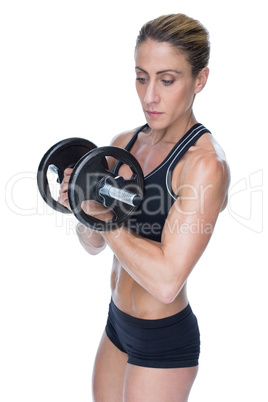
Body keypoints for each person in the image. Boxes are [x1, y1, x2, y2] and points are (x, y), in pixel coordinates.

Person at [59, 13, 230, 402]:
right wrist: (81, 205)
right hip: (117, 325)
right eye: (141, 77)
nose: (149, 96)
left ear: (199, 79)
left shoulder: (203, 165)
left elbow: (167, 282)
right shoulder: (125, 143)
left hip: (163, 342)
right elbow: (93, 245)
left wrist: (104, 219)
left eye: (167, 80)